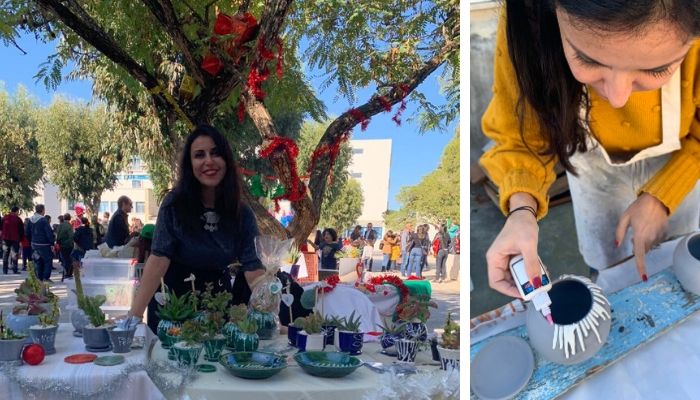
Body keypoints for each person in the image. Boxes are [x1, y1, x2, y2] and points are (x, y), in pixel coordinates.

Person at [481, 1, 700, 298]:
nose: (618, 97)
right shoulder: (528, 13)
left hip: (683, 163)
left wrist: (664, 195)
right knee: (605, 272)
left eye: (657, 69)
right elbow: (520, 132)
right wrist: (522, 209)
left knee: (678, 261)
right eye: (588, 60)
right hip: (592, 175)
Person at [126, 125, 265, 335]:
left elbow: (253, 269)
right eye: (199, 155)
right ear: (190, 165)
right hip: (173, 308)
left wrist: (271, 314)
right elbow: (158, 259)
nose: (208, 161)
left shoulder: (242, 214)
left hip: (217, 306)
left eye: (215, 153)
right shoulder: (174, 204)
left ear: (226, 160)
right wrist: (133, 317)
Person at [28, 205, 55, 282]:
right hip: (44, 244)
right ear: (42, 210)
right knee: (48, 261)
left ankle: (38, 278)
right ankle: (45, 277)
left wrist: (31, 240)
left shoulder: (30, 220)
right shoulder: (43, 220)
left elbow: (27, 232)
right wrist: (52, 243)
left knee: (37, 261)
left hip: (34, 244)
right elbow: (48, 233)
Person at [2, 207, 24, 274]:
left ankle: (5, 270)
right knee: (14, 255)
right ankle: (15, 270)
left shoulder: (5, 218)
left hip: (5, 238)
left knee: (5, 254)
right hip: (15, 239)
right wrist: (21, 240)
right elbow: (21, 231)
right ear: (16, 211)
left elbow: (0, 227)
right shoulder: (18, 219)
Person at [55, 213, 74, 280]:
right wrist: (69, 243)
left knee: (64, 260)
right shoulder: (69, 226)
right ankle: (68, 274)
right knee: (69, 260)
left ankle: (64, 274)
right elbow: (71, 237)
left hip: (61, 245)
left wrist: (58, 243)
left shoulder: (60, 225)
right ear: (70, 218)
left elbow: (57, 235)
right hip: (68, 246)